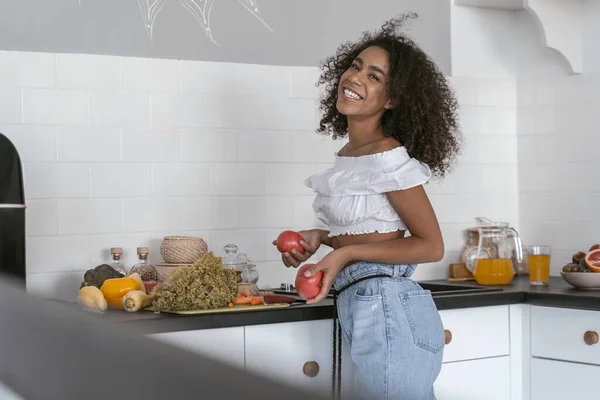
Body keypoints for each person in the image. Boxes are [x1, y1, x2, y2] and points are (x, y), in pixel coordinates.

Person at [272, 13, 461, 400]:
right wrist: (323, 238)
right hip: (366, 307)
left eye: (374, 76)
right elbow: (376, 230)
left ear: (392, 99)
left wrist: (344, 255)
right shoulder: (352, 155)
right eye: (356, 66)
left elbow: (430, 245)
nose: (355, 77)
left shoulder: (387, 157)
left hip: (388, 307)